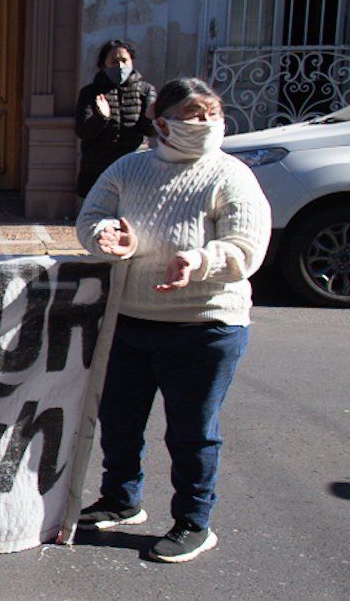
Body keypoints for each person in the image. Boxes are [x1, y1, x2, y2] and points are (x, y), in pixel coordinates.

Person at [75, 77, 271, 563]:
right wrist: (105, 235)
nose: (205, 124)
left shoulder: (232, 175)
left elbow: (247, 247)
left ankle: (194, 523)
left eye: (211, 114)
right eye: (192, 115)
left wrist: (201, 261)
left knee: (192, 430)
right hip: (129, 319)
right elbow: (91, 215)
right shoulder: (127, 168)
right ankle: (121, 500)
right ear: (161, 122)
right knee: (119, 420)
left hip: (206, 326)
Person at [75, 39, 157, 198]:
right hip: (99, 167)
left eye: (124, 60)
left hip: (134, 166)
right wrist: (101, 117)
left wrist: (151, 117)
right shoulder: (90, 92)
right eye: (114, 61)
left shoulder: (145, 90)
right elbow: (83, 131)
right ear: (103, 65)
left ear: (131, 61)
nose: (120, 66)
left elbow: (151, 130)